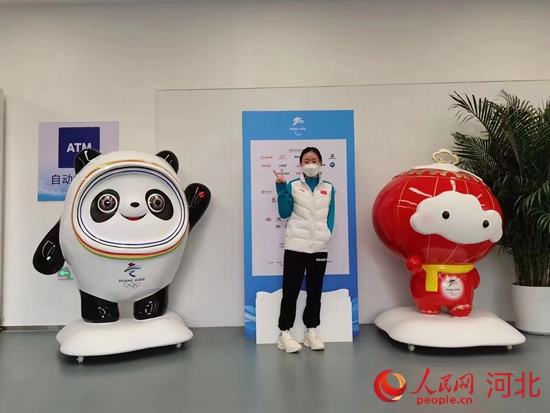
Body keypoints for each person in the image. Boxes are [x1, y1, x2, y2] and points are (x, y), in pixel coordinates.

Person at [272, 147, 335, 353]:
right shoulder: (292, 185)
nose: (310, 164)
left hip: (319, 248)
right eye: (306, 161)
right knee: (290, 291)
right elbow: (284, 213)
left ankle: (311, 332)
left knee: (315, 292)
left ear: (321, 162)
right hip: (295, 247)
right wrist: (281, 189)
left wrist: (326, 235)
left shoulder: (329, 188)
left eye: (314, 160)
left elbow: (331, 216)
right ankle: (284, 334)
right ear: (300, 164)